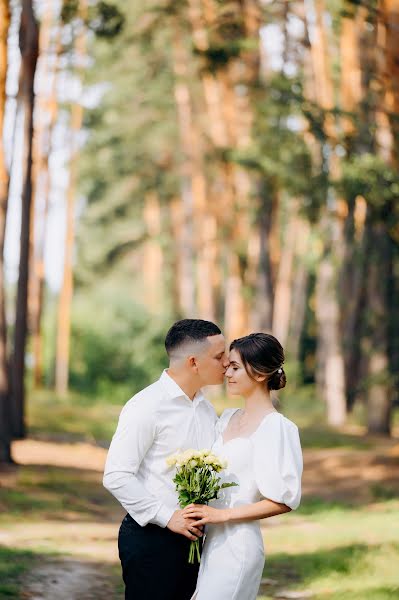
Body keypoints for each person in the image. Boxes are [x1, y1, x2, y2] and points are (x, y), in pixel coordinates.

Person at [103, 319, 229, 600]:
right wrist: (168, 517)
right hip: (151, 539)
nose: (227, 363)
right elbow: (116, 475)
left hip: (195, 542)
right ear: (194, 362)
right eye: (220, 356)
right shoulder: (146, 406)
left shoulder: (207, 409)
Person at [184, 332, 303, 600]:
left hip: (238, 546)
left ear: (260, 373)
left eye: (235, 367)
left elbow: (285, 500)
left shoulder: (277, 427)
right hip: (209, 542)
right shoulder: (226, 419)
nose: (227, 374)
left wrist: (221, 516)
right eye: (228, 367)